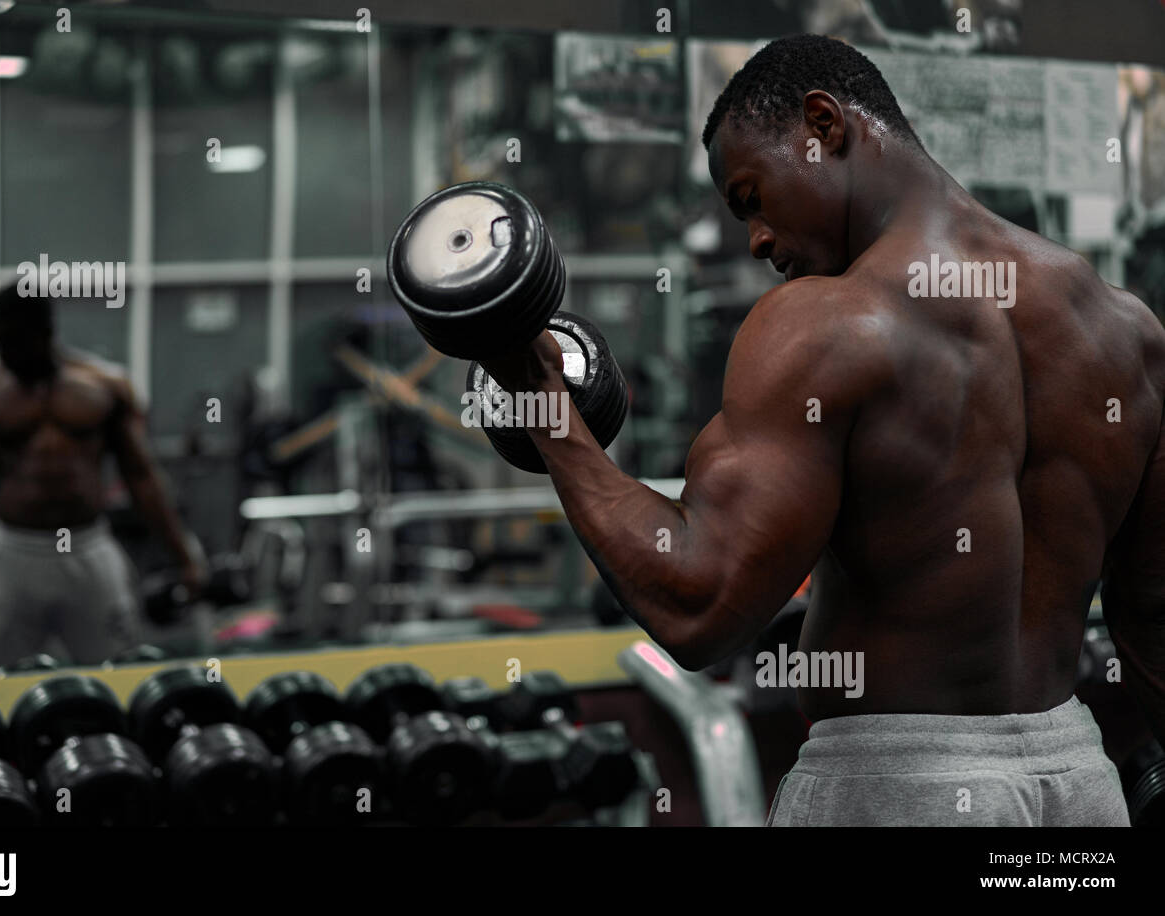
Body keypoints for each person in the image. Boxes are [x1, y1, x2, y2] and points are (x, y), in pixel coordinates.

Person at [479, 34, 1165, 826]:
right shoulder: (1126, 331)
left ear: (823, 126)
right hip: (1078, 783)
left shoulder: (825, 325)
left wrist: (544, 406)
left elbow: (698, 605)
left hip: (903, 789)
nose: (758, 240)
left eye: (751, 197)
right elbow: (1150, 614)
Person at [0, 285, 207, 670]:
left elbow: (141, 477)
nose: (3, 354)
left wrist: (185, 557)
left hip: (88, 549)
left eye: (12, 341)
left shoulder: (105, 387)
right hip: (15, 553)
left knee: (119, 674)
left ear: (44, 333)